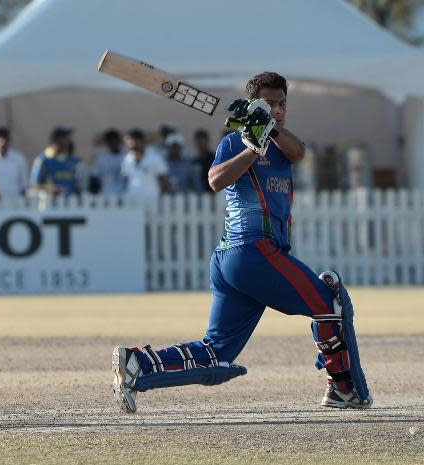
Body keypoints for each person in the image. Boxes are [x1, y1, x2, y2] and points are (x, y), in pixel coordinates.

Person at [112, 72, 372, 413]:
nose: (277, 109)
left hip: (241, 259)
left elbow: (299, 152)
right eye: (269, 104)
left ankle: (136, 365)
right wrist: (252, 146)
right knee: (331, 302)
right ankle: (344, 389)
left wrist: (268, 128)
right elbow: (215, 180)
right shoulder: (236, 141)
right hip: (252, 250)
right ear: (253, 104)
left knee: (217, 352)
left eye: (281, 104)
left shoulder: (280, 142)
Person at [30, 127, 81, 197]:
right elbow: (34, 187)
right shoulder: (44, 161)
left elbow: (79, 185)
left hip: (70, 204)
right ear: (56, 140)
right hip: (50, 204)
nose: (68, 141)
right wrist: (51, 189)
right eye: (64, 138)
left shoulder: (74, 161)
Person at [121, 128, 170, 200]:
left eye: (132, 140)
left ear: (142, 141)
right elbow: (126, 179)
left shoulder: (155, 158)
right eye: (127, 141)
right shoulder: (127, 159)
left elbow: (163, 180)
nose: (129, 143)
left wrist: (161, 198)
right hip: (133, 200)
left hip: (152, 199)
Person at [89, 129, 126, 197]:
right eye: (110, 140)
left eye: (115, 140)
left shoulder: (127, 157)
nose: (113, 142)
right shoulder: (101, 159)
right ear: (107, 142)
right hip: (106, 196)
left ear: (118, 141)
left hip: (124, 196)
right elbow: (94, 178)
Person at [193, 129, 216, 194]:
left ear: (207, 141)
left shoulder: (215, 159)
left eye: (202, 141)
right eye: (198, 142)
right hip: (200, 195)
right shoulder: (195, 161)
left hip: (214, 194)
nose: (200, 144)